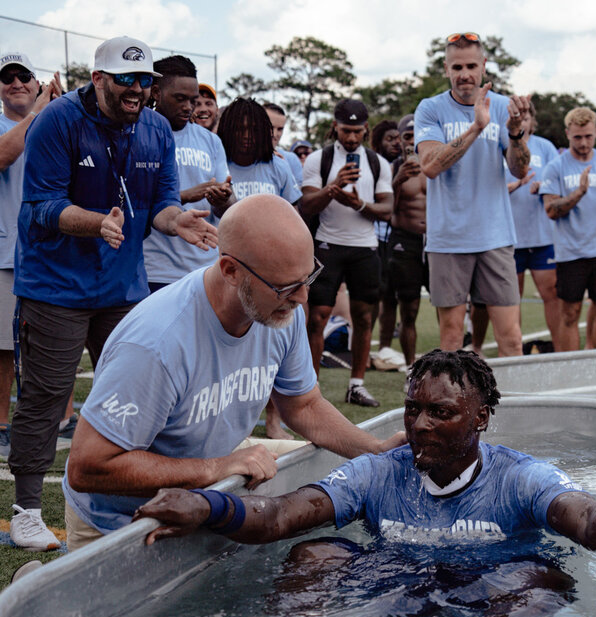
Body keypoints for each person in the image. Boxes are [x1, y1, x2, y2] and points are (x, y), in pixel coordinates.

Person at [64, 195, 405, 551]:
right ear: (230, 271)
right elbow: (88, 467)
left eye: (308, 277)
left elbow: (303, 406)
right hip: (120, 526)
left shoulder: (280, 312)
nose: (303, 297)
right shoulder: (157, 344)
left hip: (201, 500)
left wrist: (377, 450)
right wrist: (214, 468)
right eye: (286, 286)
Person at [135, 348, 596, 558]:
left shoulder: (519, 478)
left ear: (480, 418)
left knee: (533, 580)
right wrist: (208, 506)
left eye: (441, 413)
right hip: (397, 588)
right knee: (314, 556)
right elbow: (279, 516)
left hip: (495, 593)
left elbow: (584, 515)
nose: (420, 425)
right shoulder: (378, 474)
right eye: (413, 409)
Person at [9, 36, 216, 551]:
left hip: (122, 286)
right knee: (45, 397)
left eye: (145, 80)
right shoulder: (56, 119)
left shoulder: (155, 129)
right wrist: (97, 222)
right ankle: (27, 509)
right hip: (54, 284)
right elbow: (41, 205)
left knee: (141, 392)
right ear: (98, 79)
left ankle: (142, 493)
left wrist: (177, 222)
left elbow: (163, 202)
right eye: (126, 80)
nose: (138, 90)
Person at [414, 32, 531, 356]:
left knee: (511, 338)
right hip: (449, 238)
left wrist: (516, 133)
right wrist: (476, 128)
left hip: (495, 235)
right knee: (451, 339)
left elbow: (520, 169)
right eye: (457, 67)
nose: (464, 74)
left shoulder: (505, 107)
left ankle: (521, 406)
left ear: (484, 65)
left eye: (470, 65)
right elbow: (431, 166)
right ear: (446, 68)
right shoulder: (430, 108)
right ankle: (452, 408)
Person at [217, 97, 302, 438]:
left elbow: (295, 218)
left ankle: (274, 419)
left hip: (270, 279)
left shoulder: (277, 167)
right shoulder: (218, 162)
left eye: (255, 130)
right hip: (226, 275)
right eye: (240, 129)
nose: (247, 136)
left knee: (270, 351)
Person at [300, 99, 393, 408]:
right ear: (335, 127)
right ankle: (311, 390)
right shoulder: (319, 159)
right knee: (317, 317)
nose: (351, 137)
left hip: (365, 248)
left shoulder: (377, 162)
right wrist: (333, 187)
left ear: (365, 129)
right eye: (345, 131)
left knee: (364, 318)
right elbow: (307, 206)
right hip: (328, 245)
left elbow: (387, 209)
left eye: (356, 131)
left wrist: (360, 205)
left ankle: (356, 385)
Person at [0, 53, 63, 464]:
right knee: (4, 348)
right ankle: (1, 425)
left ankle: (62, 418)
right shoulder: (10, 123)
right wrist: (40, 111)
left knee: (54, 343)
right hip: (7, 251)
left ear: (38, 81)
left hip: (51, 252)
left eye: (25, 76)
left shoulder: (55, 122)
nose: (16, 83)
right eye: (8, 78)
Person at [144, 55, 235, 293]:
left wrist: (224, 198)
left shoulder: (211, 141)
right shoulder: (138, 135)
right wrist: (184, 195)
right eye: (180, 99)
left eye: (193, 100)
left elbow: (225, 209)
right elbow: (133, 200)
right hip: (155, 270)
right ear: (156, 92)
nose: (188, 107)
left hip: (205, 268)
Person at [540, 107, 596, 351]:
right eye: (578, 137)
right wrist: (579, 192)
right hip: (571, 252)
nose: (583, 142)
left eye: (588, 136)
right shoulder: (556, 166)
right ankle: (571, 375)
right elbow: (550, 210)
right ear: (568, 134)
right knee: (569, 314)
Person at [506, 102, 563, 349]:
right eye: (518, 117)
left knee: (552, 295)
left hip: (543, 236)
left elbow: (558, 182)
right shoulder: (502, 146)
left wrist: (544, 187)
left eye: (527, 116)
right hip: (510, 236)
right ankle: (515, 351)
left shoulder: (545, 147)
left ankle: (562, 350)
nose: (524, 121)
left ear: (532, 120)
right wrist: (517, 185)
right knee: (511, 299)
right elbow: (490, 189)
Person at [387, 113, 428, 367]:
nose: (412, 141)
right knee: (409, 309)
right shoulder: (392, 168)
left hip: (437, 242)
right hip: (405, 240)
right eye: (407, 136)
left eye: (416, 135)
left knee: (449, 305)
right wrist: (398, 180)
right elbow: (386, 209)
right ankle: (412, 366)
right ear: (400, 140)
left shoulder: (438, 164)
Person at [370, 119, 404, 365]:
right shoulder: (374, 165)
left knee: (393, 295)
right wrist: (399, 178)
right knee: (374, 295)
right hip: (376, 237)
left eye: (399, 137)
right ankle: (365, 345)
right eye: (390, 138)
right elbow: (379, 200)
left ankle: (386, 348)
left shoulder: (409, 163)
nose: (396, 143)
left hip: (401, 238)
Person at [263, 102, 303, 185]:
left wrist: (284, 169)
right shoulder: (240, 157)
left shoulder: (291, 160)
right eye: (270, 127)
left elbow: (297, 195)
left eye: (280, 129)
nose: (274, 134)